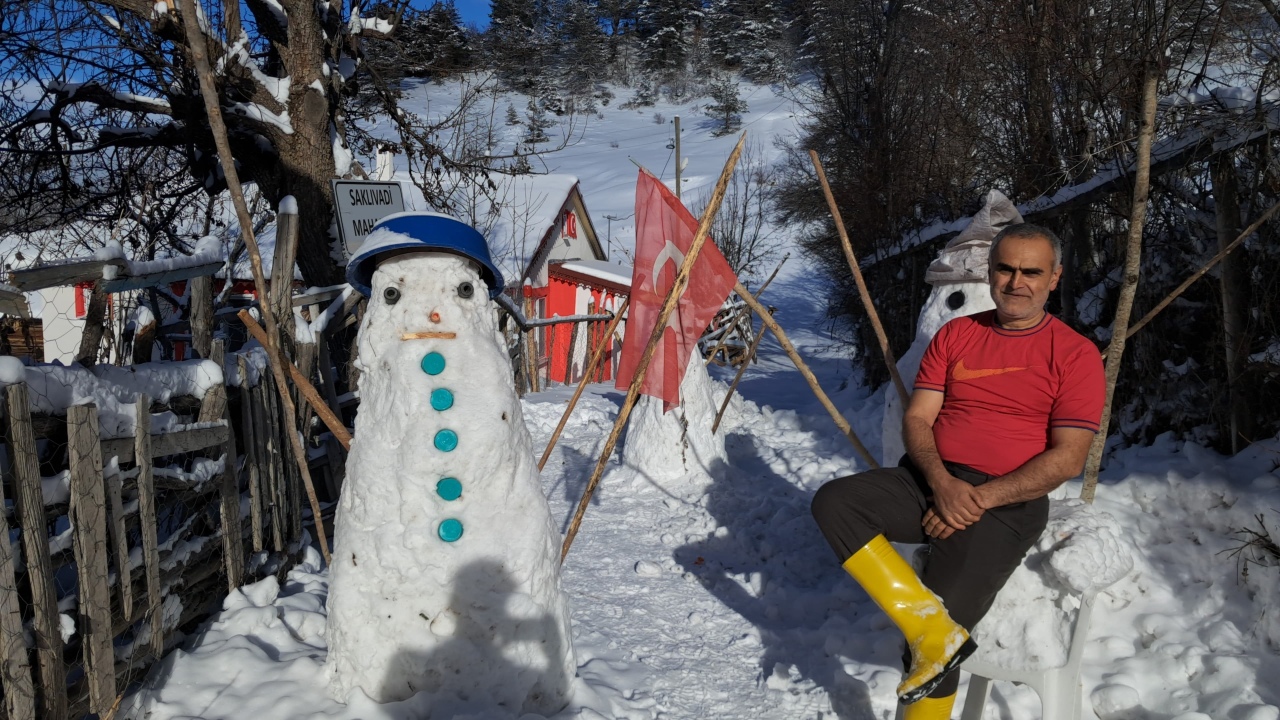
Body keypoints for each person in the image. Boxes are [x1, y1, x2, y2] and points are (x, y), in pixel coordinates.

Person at [810, 223, 1105, 718]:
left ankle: (933, 642)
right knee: (835, 503)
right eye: (1005, 269)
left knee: (938, 650)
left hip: (1007, 504)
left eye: (1031, 272)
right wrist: (942, 484)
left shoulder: (1075, 355)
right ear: (990, 272)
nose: (1016, 282)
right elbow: (919, 418)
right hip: (928, 479)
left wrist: (975, 500)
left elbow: (1067, 458)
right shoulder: (957, 334)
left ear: (1054, 278)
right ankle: (928, 627)